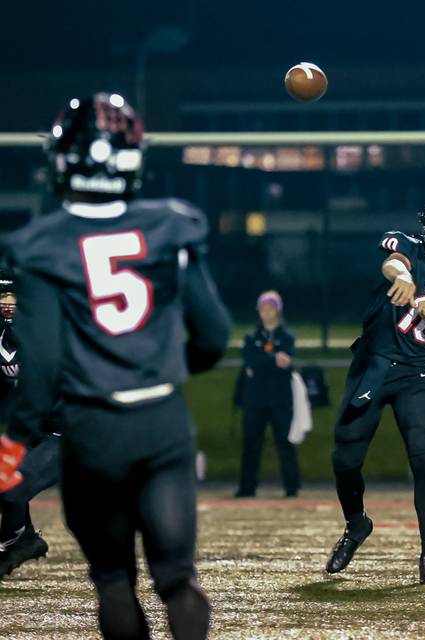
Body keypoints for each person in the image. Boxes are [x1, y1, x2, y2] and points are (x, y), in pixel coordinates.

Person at [0, 93, 230, 640]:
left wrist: (15, 442)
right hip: (161, 422)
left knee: (113, 582)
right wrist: (170, 372)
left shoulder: (41, 245)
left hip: (91, 429)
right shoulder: (171, 224)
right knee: (177, 579)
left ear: (62, 161)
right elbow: (215, 335)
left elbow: (44, 362)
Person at [325, 192, 425, 584]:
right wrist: (406, 277)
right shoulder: (410, 249)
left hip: (416, 373)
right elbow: (392, 263)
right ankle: (356, 523)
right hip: (374, 363)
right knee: (345, 459)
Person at [0, 272, 60, 578]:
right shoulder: (3, 340)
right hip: (34, 430)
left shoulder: (51, 334)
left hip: (69, 432)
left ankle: (18, 541)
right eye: (2, 299)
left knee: (11, 482)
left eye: (13, 298)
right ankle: (21, 540)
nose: (7, 305)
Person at [234, 290, 300, 498]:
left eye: (270, 308)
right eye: (262, 308)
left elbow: (284, 362)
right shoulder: (251, 336)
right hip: (255, 400)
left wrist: (262, 360)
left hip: (280, 399)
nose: (266, 312)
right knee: (251, 444)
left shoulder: (287, 336)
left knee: (285, 444)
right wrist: (273, 360)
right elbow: (251, 361)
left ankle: (292, 487)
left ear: (278, 311)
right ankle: (247, 487)